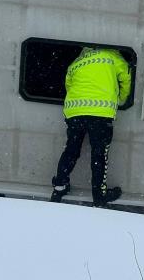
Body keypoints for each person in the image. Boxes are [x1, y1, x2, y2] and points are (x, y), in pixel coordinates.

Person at [50, 47, 132, 207]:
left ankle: (59, 187)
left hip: (75, 112)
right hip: (100, 113)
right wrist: (122, 99)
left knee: (71, 151)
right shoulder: (113, 56)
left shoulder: (77, 61)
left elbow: (69, 85)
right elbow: (126, 77)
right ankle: (99, 196)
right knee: (99, 155)